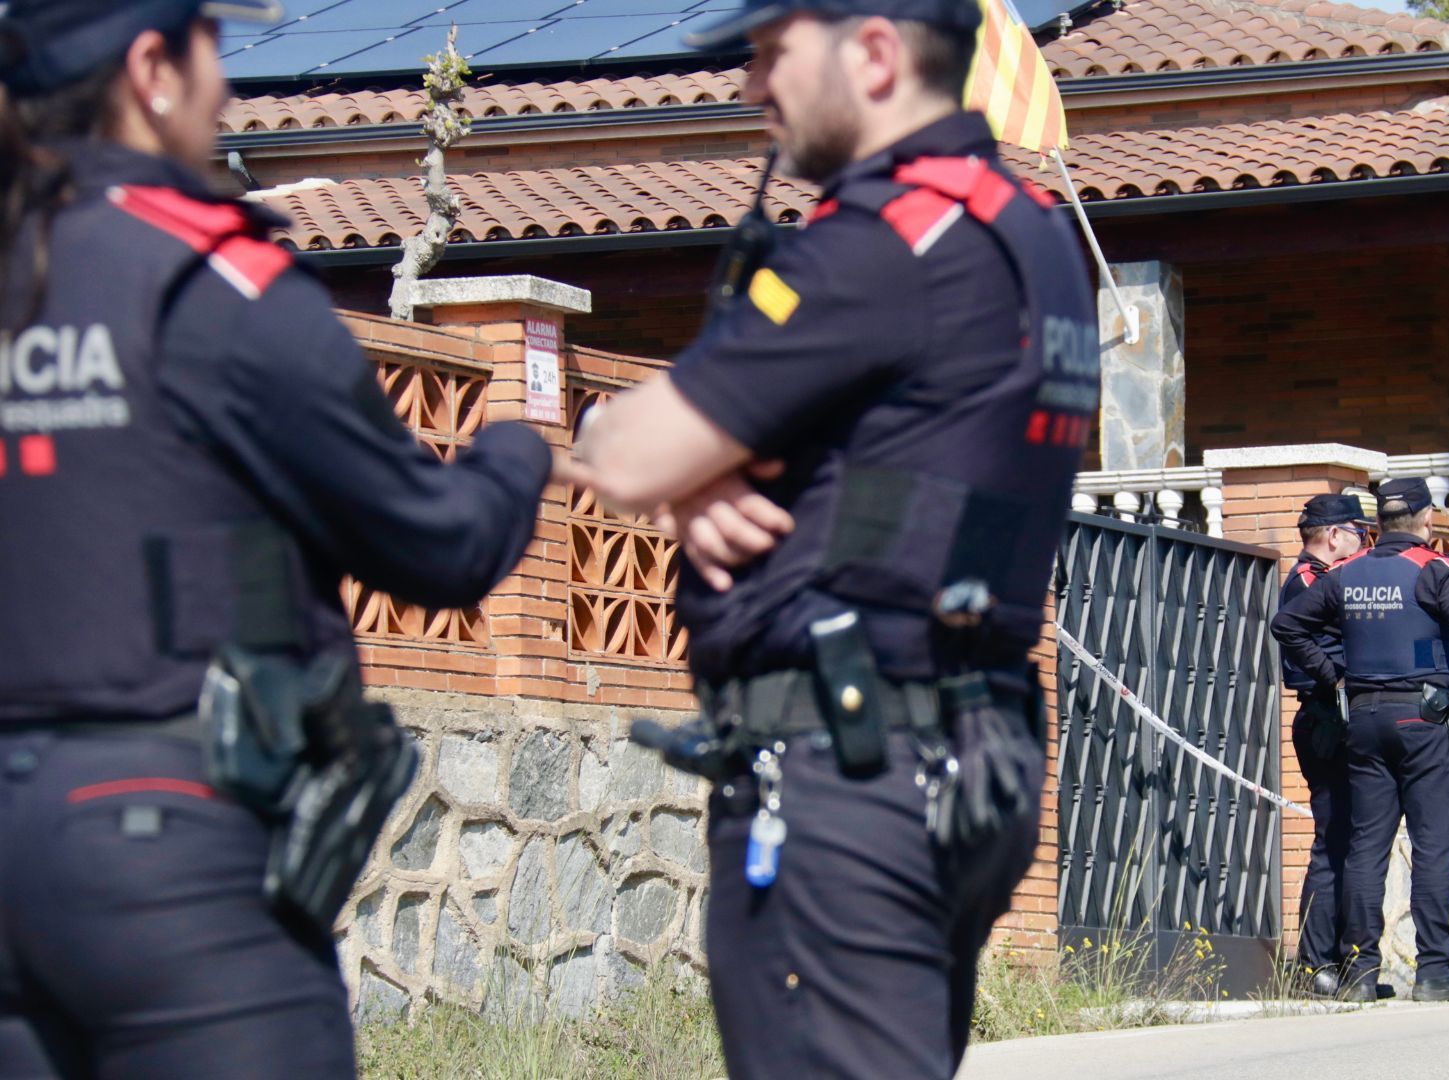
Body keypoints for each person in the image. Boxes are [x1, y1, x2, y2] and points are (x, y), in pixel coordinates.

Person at [0, 2, 555, 1074]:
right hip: (168, 856)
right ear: (152, 68)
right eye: (212, 42)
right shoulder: (209, 276)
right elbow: (439, 546)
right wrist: (518, 449)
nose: (229, 78)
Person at [564, 0, 1099, 1073]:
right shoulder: (1032, 236)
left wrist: (656, 462)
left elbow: (620, 452)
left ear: (875, 51)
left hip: (844, 768)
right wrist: (689, 485)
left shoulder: (883, 245)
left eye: (772, 53)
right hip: (964, 743)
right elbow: (900, 453)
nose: (751, 85)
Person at [1272, 477, 1449, 1001]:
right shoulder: (1434, 568)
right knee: (1432, 844)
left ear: (1380, 522)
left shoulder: (1346, 573)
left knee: (1365, 849)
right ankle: (1435, 970)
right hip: (1423, 720)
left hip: (1364, 721)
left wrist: (1335, 677)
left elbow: (1288, 626)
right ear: (1426, 519)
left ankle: (1360, 973)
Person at [1271, 493, 1371, 998]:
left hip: (1333, 716)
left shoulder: (1320, 579)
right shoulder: (1313, 581)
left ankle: (1337, 959)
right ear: (1334, 535)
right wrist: (1338, 678)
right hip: (1327, 717)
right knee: (1334, 843)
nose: (1365, 541)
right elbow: (1303, 651)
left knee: (1348, 842)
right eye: (1359, 531)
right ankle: (1316, 964)